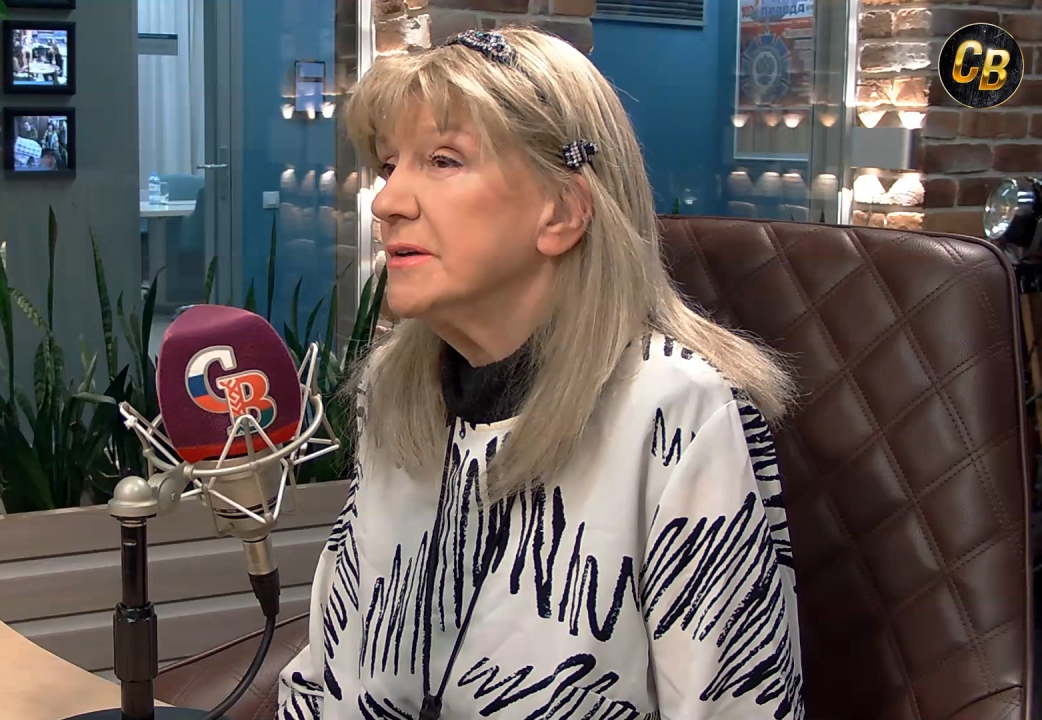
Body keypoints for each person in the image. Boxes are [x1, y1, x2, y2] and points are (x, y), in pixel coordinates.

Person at [276, 25, 805, 720]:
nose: (387, 202)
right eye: (388, 165)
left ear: (562, 210)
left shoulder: (677, 411)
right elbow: (330, 672)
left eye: (442, 160)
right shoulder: (390, 388)